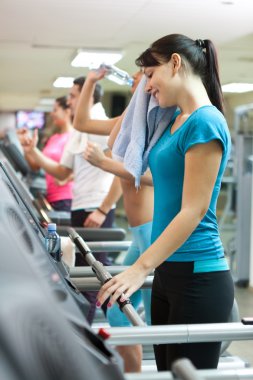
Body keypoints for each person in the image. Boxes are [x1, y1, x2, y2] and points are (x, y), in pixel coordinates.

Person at [94, 34, 235, 371]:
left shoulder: (206, 122)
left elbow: (194, 209)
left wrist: (139, 267)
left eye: (150, 74)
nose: (146, 86)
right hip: (167, 271)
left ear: (175, 63)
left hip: (199, 276)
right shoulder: (173, 121)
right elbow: (130, 151)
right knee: (164, 373)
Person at [19, 77, 122, 324]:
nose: (69, 100)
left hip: (95, 207)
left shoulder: (99, 125)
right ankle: (95, 327)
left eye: (74, 96)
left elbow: (122, 171)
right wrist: (33, 151)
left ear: (89, 96)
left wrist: (103, 209)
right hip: (80, 206)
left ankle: (102, 330)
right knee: (84, 273)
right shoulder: (79, 129)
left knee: (95, 274)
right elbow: (63, 173)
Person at [73, 68, 153, 373]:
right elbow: (81, 123)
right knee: (116, 307)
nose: (135, 80)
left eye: (141, 76)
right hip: (138, 232)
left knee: (156, 317)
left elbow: (156, 179)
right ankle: (132, 373)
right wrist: (92, 81)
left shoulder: (153, 122)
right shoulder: (126, 121)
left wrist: (105, 163)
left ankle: (159, 367)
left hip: (153, 229)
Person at [18, 96, 73, 211]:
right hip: (51, 196)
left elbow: (83, 167)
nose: (52, 114)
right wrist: (27, 148)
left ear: (67, 111)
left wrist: (67, 178)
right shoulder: (54, 138)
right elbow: (36, 166)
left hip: (67, 197)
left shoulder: (74, 137)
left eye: (55, 110)